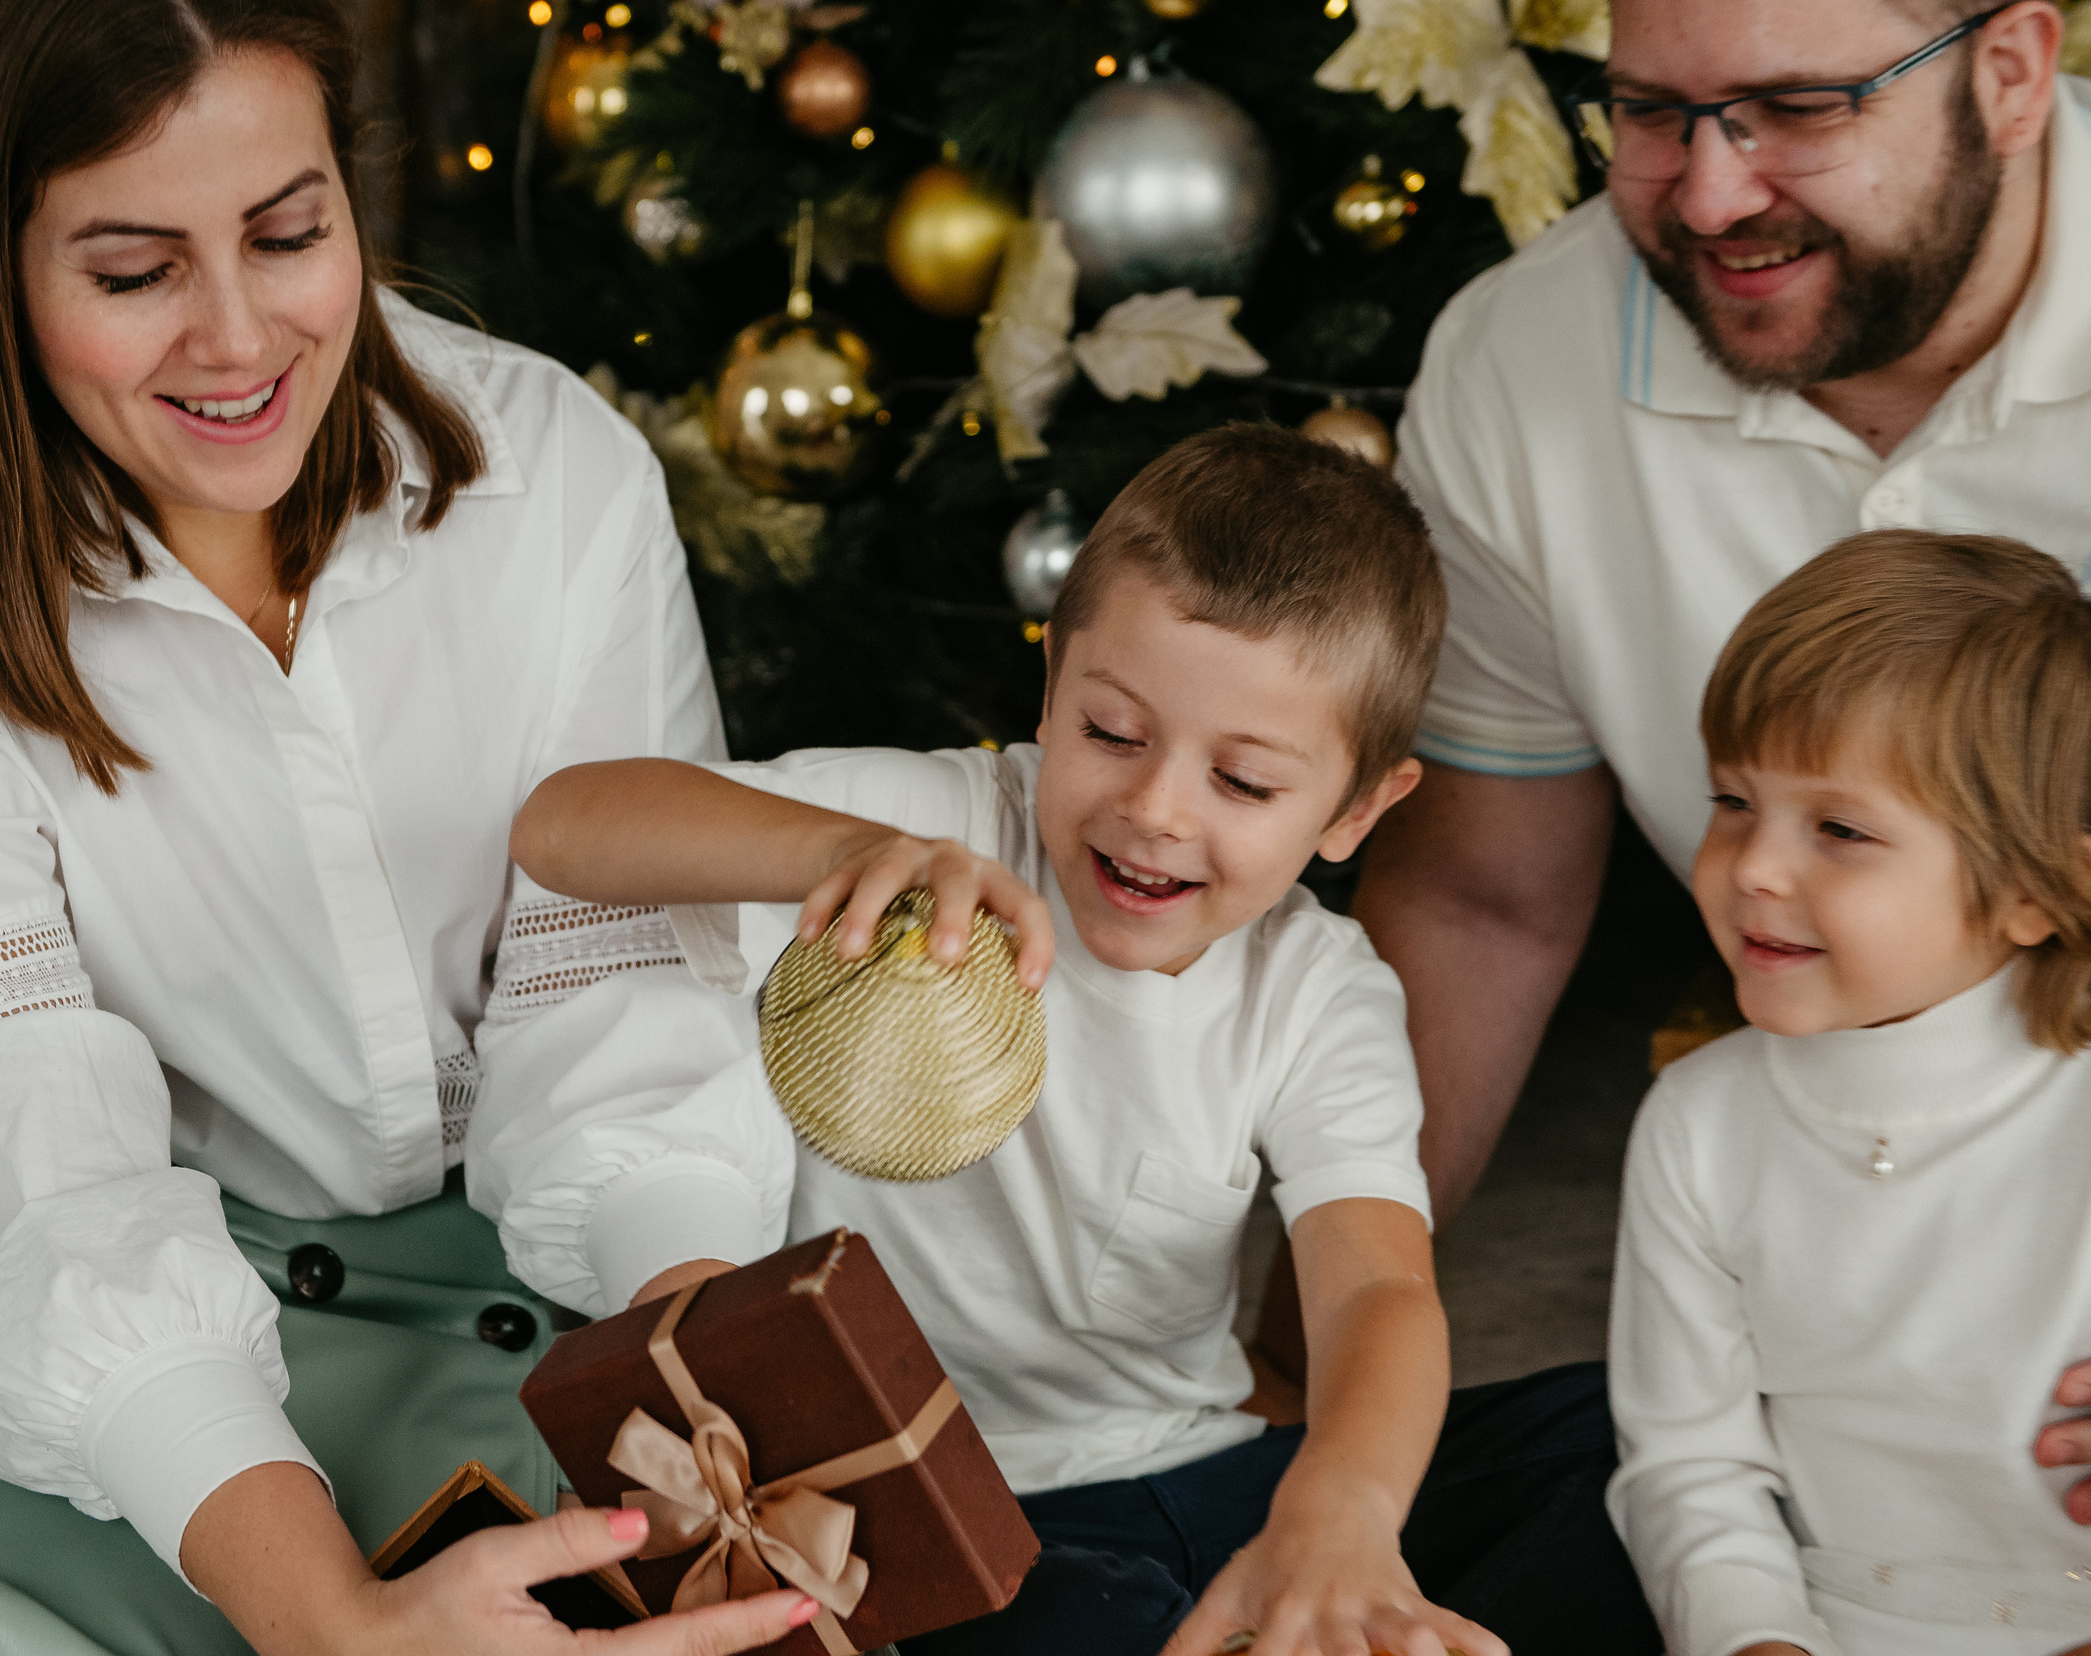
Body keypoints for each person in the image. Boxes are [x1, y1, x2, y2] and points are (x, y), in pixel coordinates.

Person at [0, 0, 822, 1653]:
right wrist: (335, 1623)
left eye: (290, 234)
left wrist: (703, 1367)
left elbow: (615, 981)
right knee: (270, 1615)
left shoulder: (558, 480)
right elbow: (19, 1175)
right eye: (135, 269)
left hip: (460, 1238)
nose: (238, 337)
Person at [479, 425, 1659, 1656]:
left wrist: (1341, 1506)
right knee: (1102, 1625)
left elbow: (1374, 1283)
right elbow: (565, 826)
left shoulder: (1318, 989)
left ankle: (1313, 1600)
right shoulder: (930, 825)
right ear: (1048, 690)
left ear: (1357, 810)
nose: (1155, 808)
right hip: (968, 1513)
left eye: (1244, 783)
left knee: (1617, 1447)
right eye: (1110, 731)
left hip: (1211, 1465)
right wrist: (830, 856)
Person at [1313, 0, 2091, 1479]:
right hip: (1845, 1199)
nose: (1712, 195)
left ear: (2008, 73)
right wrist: (1301, 1362)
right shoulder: (1519, 364)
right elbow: (1480, 900)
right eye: (1653, 113)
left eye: (1799, 108)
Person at [1608, 528, 2091, 1656]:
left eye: (1838, 827)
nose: (1755, 866)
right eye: (1732, 800)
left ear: (2032, 889)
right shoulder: (1699, 1123)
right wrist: (1753, 1636)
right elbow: (1689, 1462)